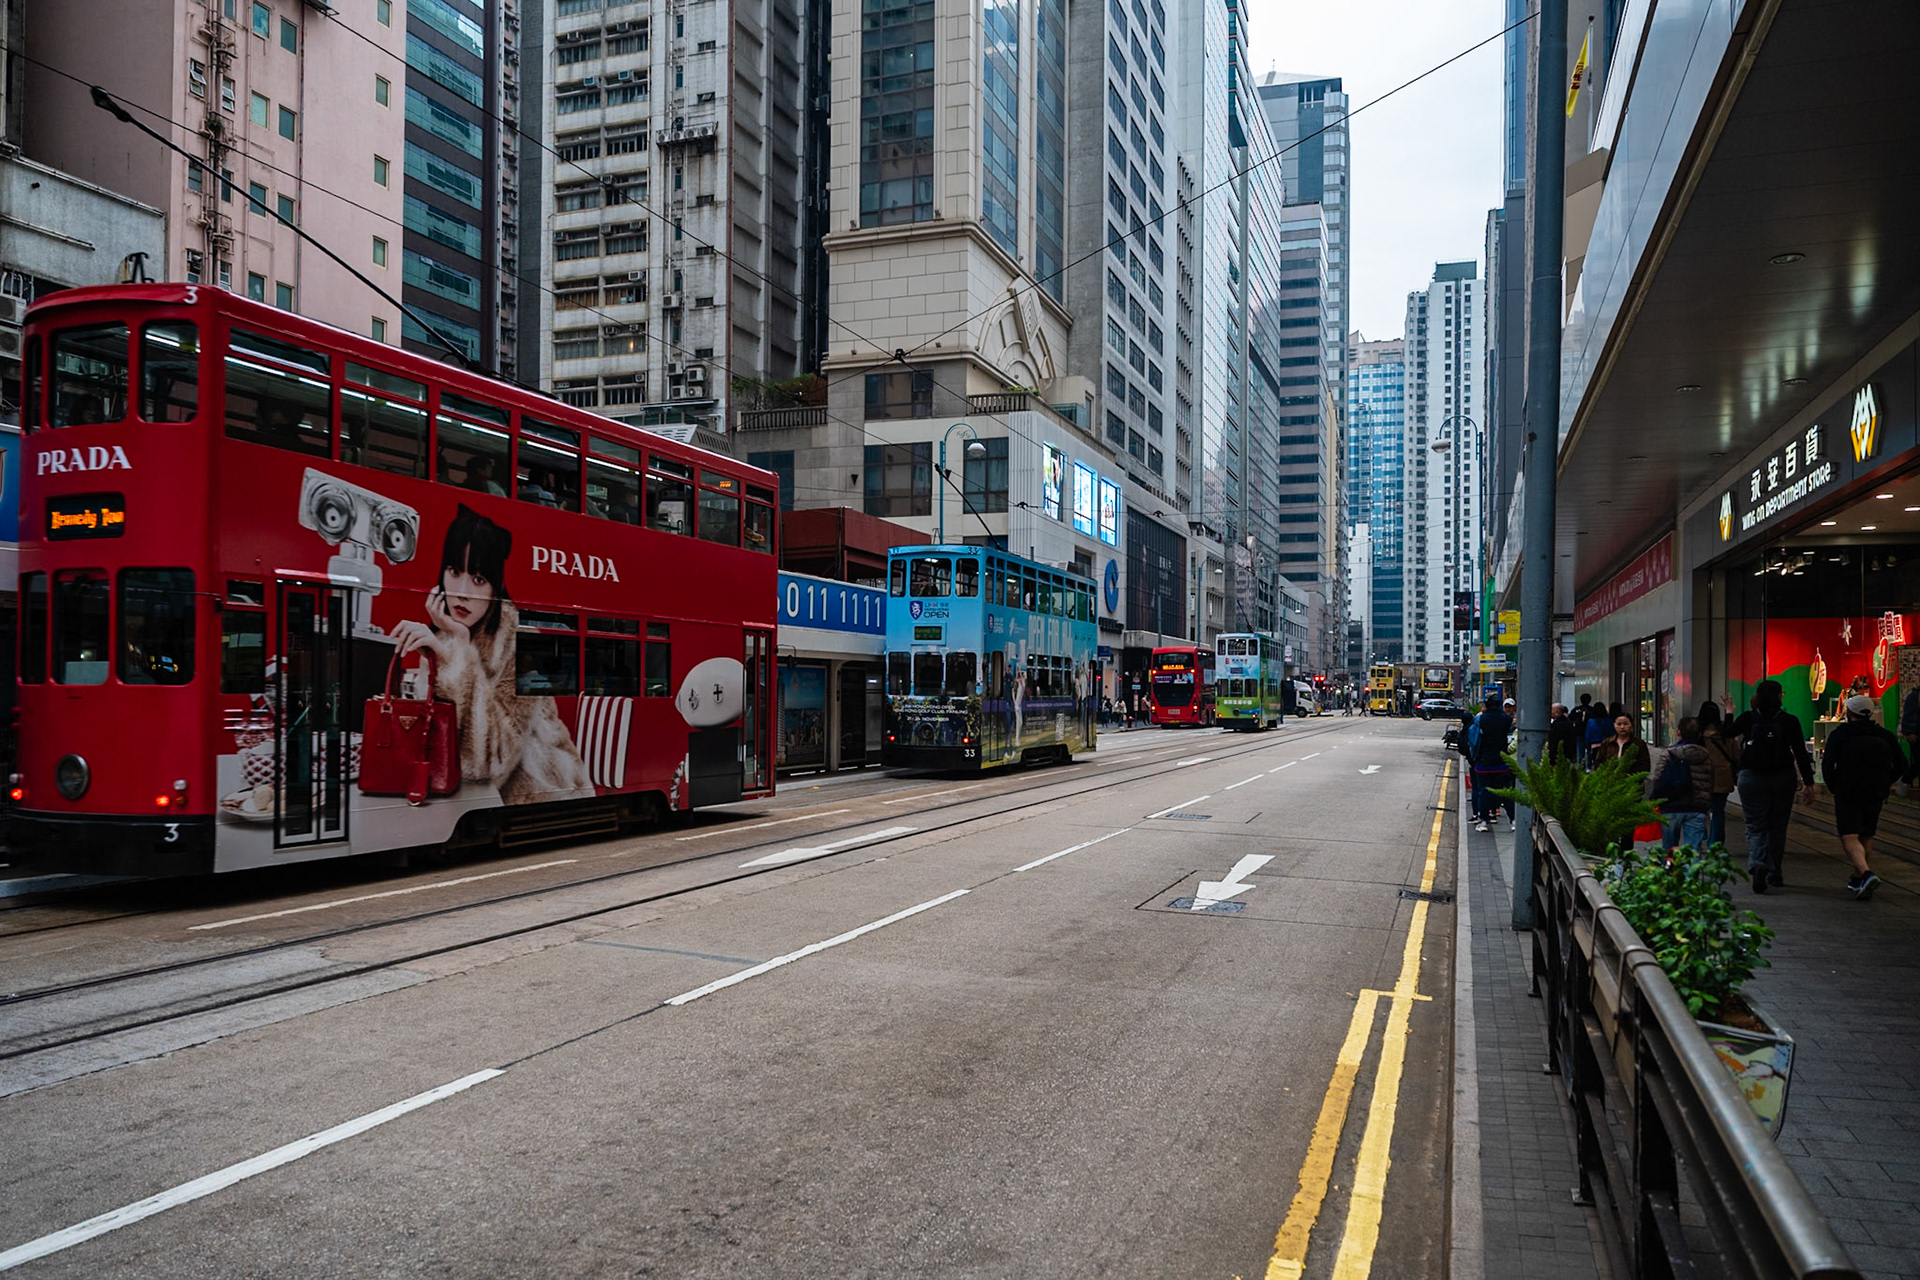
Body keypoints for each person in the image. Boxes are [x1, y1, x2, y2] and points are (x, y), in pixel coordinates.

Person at [391, 504, 596, 805]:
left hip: (547, 797)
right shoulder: (444, 638)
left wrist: (458, 652)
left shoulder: (522, 645)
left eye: (478, 579)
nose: (462, 592)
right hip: (469, 800)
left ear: (494, 588)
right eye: (454, 572)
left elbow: (490, 763)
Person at [1730, 679, 1816, 895]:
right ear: (1779, 696)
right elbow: (1800, 753)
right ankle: (1774, 871)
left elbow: (1727, 732)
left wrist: (1729, 712)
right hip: (1782, 778)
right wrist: (1809, 782)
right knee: (1777, 827)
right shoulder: (1789, 720)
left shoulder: (1748, 718)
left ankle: (1757, 863)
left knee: (1755, 825)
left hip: (1751, 777)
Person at [1820, 693, 1899, 900]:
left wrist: (1834, 786)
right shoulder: (1884, 735)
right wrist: (1886, 781)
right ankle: (1858, 878)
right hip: (1876, 792)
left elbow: (1828, 764)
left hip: (1848, 791)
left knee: (1849, 836)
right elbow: (1902, 763)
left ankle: (1865, 873)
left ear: (1849, 712)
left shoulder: (1840, 734)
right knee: (1866, 835)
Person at [1654, 717, 1713, 850]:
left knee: (1669, 850)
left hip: (1670, 805)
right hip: (1697, 807)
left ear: (1678, 732)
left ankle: (1669, 864)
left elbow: (1657, 777)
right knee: (1693, 851)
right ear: (1699, 734)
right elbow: (1710, 780)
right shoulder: (1705, 755)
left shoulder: (1669, 753)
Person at [1469, 692, 1515, 833]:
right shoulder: (1506, 719)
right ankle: (1513, 820)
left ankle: (1483, 821)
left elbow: (1473, 739)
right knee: (1505, 792)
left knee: (1484, 792)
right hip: (1502, 762)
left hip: (1484, 763)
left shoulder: (1481, 719)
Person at [1698, 700, 1741, 846]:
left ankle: (1700, 835)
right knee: (1718, 812)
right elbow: (1736, 757)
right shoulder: (1726, 734)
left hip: (1701, 777)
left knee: (1699, 810)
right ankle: (1715, 844)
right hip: (1722, 777)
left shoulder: (1697, 734)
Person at [1899, 682, 1920, 794]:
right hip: (1916, 735)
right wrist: (1909, 732)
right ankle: (1905, 780)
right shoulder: (1915, 696)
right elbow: (1909, 715)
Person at [1582, 698, 1610, 766]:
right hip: (1607, 744)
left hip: (1595, 745)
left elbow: (1588, 736)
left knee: (1596, 763)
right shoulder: (1609, 721)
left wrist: (1587, 747)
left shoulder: (1591, 721)